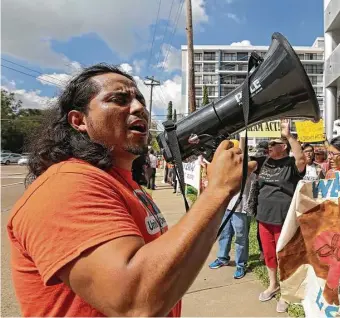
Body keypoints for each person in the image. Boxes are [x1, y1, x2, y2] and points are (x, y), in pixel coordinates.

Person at [6, 63, 256, 317]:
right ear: (79, 121)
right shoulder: (66, 185)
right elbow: (136, 303)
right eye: (119, 99)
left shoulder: (122, 182)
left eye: (139, 99)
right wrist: (218, 190)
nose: (139, 108)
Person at [255, 119, 306, 313]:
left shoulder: (291, 164)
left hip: (284, 217)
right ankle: (273, 284)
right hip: (264, 216)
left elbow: (302, 161)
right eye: (268, 144)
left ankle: (286, 292)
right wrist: (243, 136)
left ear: (283, 147)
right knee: (269, 254)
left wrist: (289, 135)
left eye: (272, 144)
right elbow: (244, 160)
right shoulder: (264, 161)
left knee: (284, 255)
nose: (268, 147)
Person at [209, 141, 253, 280]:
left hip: (240, 208)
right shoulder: (224, 166)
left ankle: (241, 264)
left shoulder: (245, 163)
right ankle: (223, 258)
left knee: (241, 238)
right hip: (226, 207)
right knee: (224, 234)